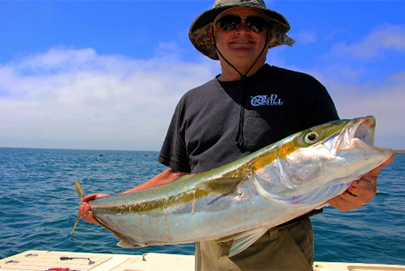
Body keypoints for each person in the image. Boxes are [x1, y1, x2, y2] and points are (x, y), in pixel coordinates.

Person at [79, 0, 395, 270]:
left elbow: (337, 181)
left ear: (268, 35)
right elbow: (178, 173)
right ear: (213, 35)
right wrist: (113, 203)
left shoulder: (304, 90)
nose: (242, 31)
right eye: (230, 22)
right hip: (207, 244)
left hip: (281, 245)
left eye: (255, 23)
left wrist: (359, 193)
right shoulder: (193, 100)